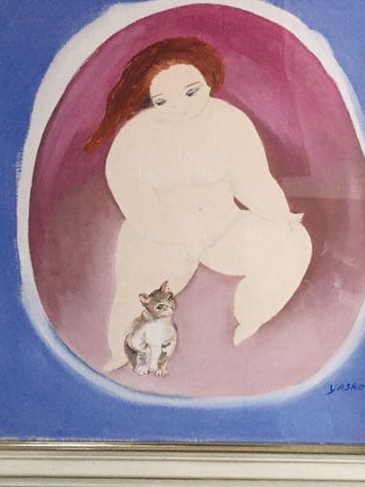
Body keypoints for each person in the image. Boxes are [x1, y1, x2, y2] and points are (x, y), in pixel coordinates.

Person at [84, 37, 312, 371]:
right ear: (150, 101)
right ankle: (122, 351)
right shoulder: (135, 135)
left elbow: (252, 178)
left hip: (223, 226)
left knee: (292, 242)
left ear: (208, 82)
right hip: (158, 234)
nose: (180, 106)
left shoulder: (229, 120)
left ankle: (252, 316)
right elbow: (133, 198)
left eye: (191, 93)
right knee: (134, 291)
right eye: (162, 101)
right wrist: (173, 234)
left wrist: (278, 213)